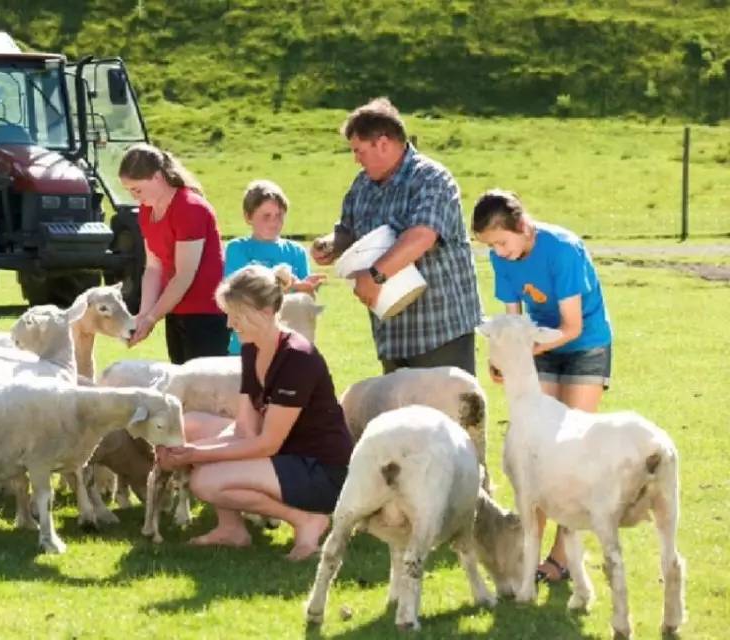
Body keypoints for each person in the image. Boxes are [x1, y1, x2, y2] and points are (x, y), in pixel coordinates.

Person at [155, 264, 352, 561]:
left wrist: (194, 455)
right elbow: (244, 429)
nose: (229, 325)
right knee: (188, 427)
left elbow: (267, 444)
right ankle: (232, 530)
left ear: (264, 313)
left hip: (319, 469)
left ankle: (306, 520)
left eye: (236, 315)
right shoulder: (252, 347)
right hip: (281, 453)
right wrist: (185, 448)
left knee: (205, 481)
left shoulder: (297, 358)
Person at [472, 188, 613, 585]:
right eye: (490, 246)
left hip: (584, 346)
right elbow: (511, 323)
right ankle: (526, 551)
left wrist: (523, 349)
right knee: (536, 449)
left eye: (502, 242)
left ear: (523, 226)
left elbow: (572, 327)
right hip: (541, 346)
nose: (498, 252)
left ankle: (561, 557)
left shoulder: (562, 249)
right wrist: (502, 355)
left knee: (570, 451)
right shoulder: (504, 258)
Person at [310, 97, 482, 375]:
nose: (356, 159)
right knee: (400, 418)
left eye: (359, 151)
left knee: (445, 417)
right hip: (392, 331)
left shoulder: (431, 178)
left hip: (440, 329)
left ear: (383, 143)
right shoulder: (362, 185)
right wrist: (332, 243)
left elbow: (422, 236)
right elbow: (349, 230)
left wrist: (375, 275)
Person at [118, 143, 228, 364]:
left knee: (203, 389)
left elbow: (184, 275)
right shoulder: (146, 211)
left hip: (207, 314)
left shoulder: (190, 208)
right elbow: (153, 267)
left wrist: (151, 318)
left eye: (137, 189)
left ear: (157, 177)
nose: (134, 197)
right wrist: (143, 315)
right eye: (129, 191)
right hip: (175, 310)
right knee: (182, 385)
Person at [223, 179, 325, 354]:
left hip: (288, 346)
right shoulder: (237, 249)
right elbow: (241, 295)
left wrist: (308, 289)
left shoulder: (296, 252)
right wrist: (288, 284)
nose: (274, 222)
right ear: (248, 217)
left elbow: (303, 301)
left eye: (279, 215)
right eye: (266, 216)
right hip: (247, 346)